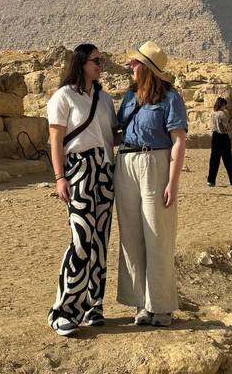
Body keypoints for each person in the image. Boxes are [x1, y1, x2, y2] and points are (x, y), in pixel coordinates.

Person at [114, 41, 187, 328]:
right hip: (126, 164)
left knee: (158, 234)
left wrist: (173, 181)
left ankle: (162, 306)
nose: (130, 66)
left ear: (146, 68)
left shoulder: (170, 98)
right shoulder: (129, 98)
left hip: (155, 165)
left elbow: (179, 140)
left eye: (135, 63)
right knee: (131, 237)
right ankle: (141, 304)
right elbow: (119, 134)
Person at [47, 43, 118, 337]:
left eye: (102, 60)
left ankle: (93, 304)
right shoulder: (63, 97)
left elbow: (112, 135)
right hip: (78, 171)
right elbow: (55, 140)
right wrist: (59, 176)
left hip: (104, 171)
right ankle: (63, 311)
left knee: (100, 241)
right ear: (82, 62)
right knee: (80, 240)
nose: (101, 64)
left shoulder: (105, 99)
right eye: (96, 60)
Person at [206, 96, 232, 187]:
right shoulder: (222, 114)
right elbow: (226, 127)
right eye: (225, 105)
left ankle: (211, 180)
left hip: (214, 136)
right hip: (223, 137)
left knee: (214, 159)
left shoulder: (212, 113)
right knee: (227, 159)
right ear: (222, 105)